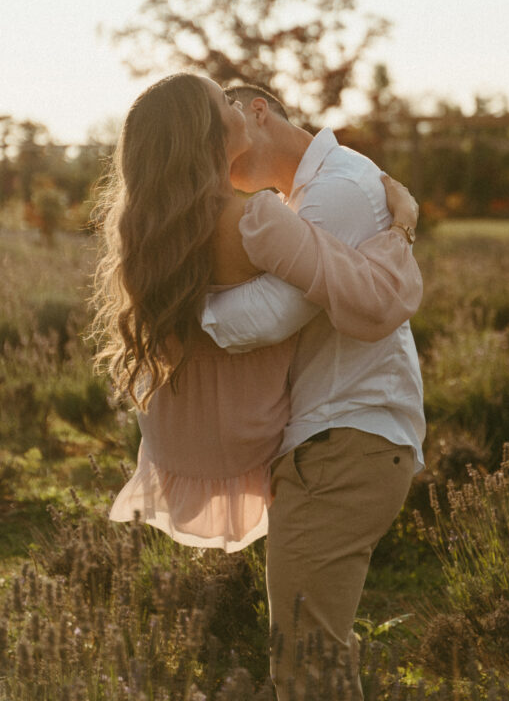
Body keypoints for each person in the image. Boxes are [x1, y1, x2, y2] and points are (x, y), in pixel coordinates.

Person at [93, 73, 421, 560]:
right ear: (209, 132)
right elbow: (373, 300)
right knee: (303, 629)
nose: (235, 105)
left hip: (179, 444)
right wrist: (403, 225)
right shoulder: (258, 220)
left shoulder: (153, 237)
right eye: (223, 101)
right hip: (246, 437)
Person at [199, 83, 425, 701]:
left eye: (220, 136)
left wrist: (180, 305)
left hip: (345, 443)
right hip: (336, 442)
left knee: (308, 666)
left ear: (256, 112)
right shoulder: (312, 194)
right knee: (313, 659)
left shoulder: (336, 191)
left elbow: (269, 316)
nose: (217, 163)